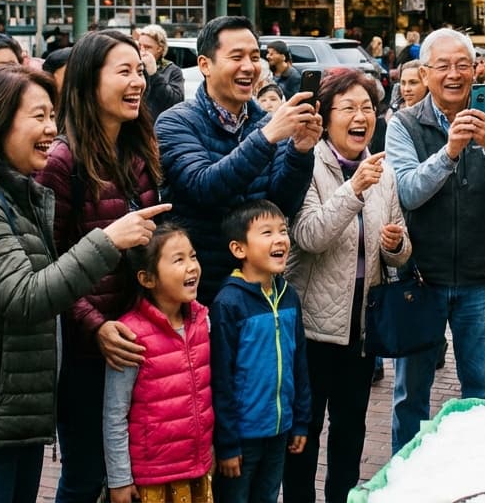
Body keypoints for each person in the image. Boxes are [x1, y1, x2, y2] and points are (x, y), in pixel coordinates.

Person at [0, 64, 164, 502]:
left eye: (52, 117)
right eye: (38, 117)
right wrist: (107, 240)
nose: (51, 130)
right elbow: (25, 296)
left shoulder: (17, 192)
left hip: (7, 413)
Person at [385, 28, 485, 454]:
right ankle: (406, 481)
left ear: (476, 70)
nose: (454, 74)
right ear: (425, 74)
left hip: (482, 281)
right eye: (443, 66)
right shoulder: (405, 125)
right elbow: (408, 190)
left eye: (463, 65)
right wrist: (448, 151)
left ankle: (473, 477)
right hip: (420, 280)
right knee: (411, 396)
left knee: (479, 394)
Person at [35, 29, 164, 503]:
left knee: (128, 475)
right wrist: (95, 327)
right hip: (86, 354)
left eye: (140, 70)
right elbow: (46, 266)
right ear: (90, 81)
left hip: (138, 344)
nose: (138, 82)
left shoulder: (138, 151)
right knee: (86, 475)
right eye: (124, 71)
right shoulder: (60, 161)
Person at [282, 69, 410, 503]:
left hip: (362, 329)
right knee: (304, 434)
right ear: (326, 115)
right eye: (350, 108)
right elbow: (309, 236)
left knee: (351, 431)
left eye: (368, 108)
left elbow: (400, 246)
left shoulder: (383, 170)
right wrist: (354, 189)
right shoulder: (308, 164)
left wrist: (395, 246)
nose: (362, 117)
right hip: (313, 330)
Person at [156, 15, 321, 305]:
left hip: (257, 289)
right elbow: (203, 187)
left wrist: (300, 151)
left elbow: (282, 204)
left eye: (255, 57)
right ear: (205, 65)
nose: (249, 66)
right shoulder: (176, 122)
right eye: (237, 57)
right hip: (198, 290)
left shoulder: (267, 123)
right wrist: (266, 137)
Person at [103, 223, 213, 503]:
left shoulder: (202, 321)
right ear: (147, 279)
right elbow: (115, 413)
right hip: (152, 479)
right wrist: (119, 480)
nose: (192, 267)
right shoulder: (130, 335)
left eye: (193, 256)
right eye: (179, 260)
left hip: (196, 468)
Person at [211, 200, 311, 503]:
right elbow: (220, 379)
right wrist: (227, 444)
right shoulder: (228, 303)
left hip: (279, 430)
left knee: (268, 496)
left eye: (283, 230)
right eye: (266, 232)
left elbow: (299, 364)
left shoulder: (288, 295)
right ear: (239, 249)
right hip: (243, 437)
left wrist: (301, 420)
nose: (280, 238)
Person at [135, 23, 186, 122]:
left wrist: (154, 75)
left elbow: (175, 103)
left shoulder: (172, 70)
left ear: (159, 49)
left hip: (160, 126)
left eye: (147, 47)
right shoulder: (135, 68)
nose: (142, 51)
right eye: (140, 46)